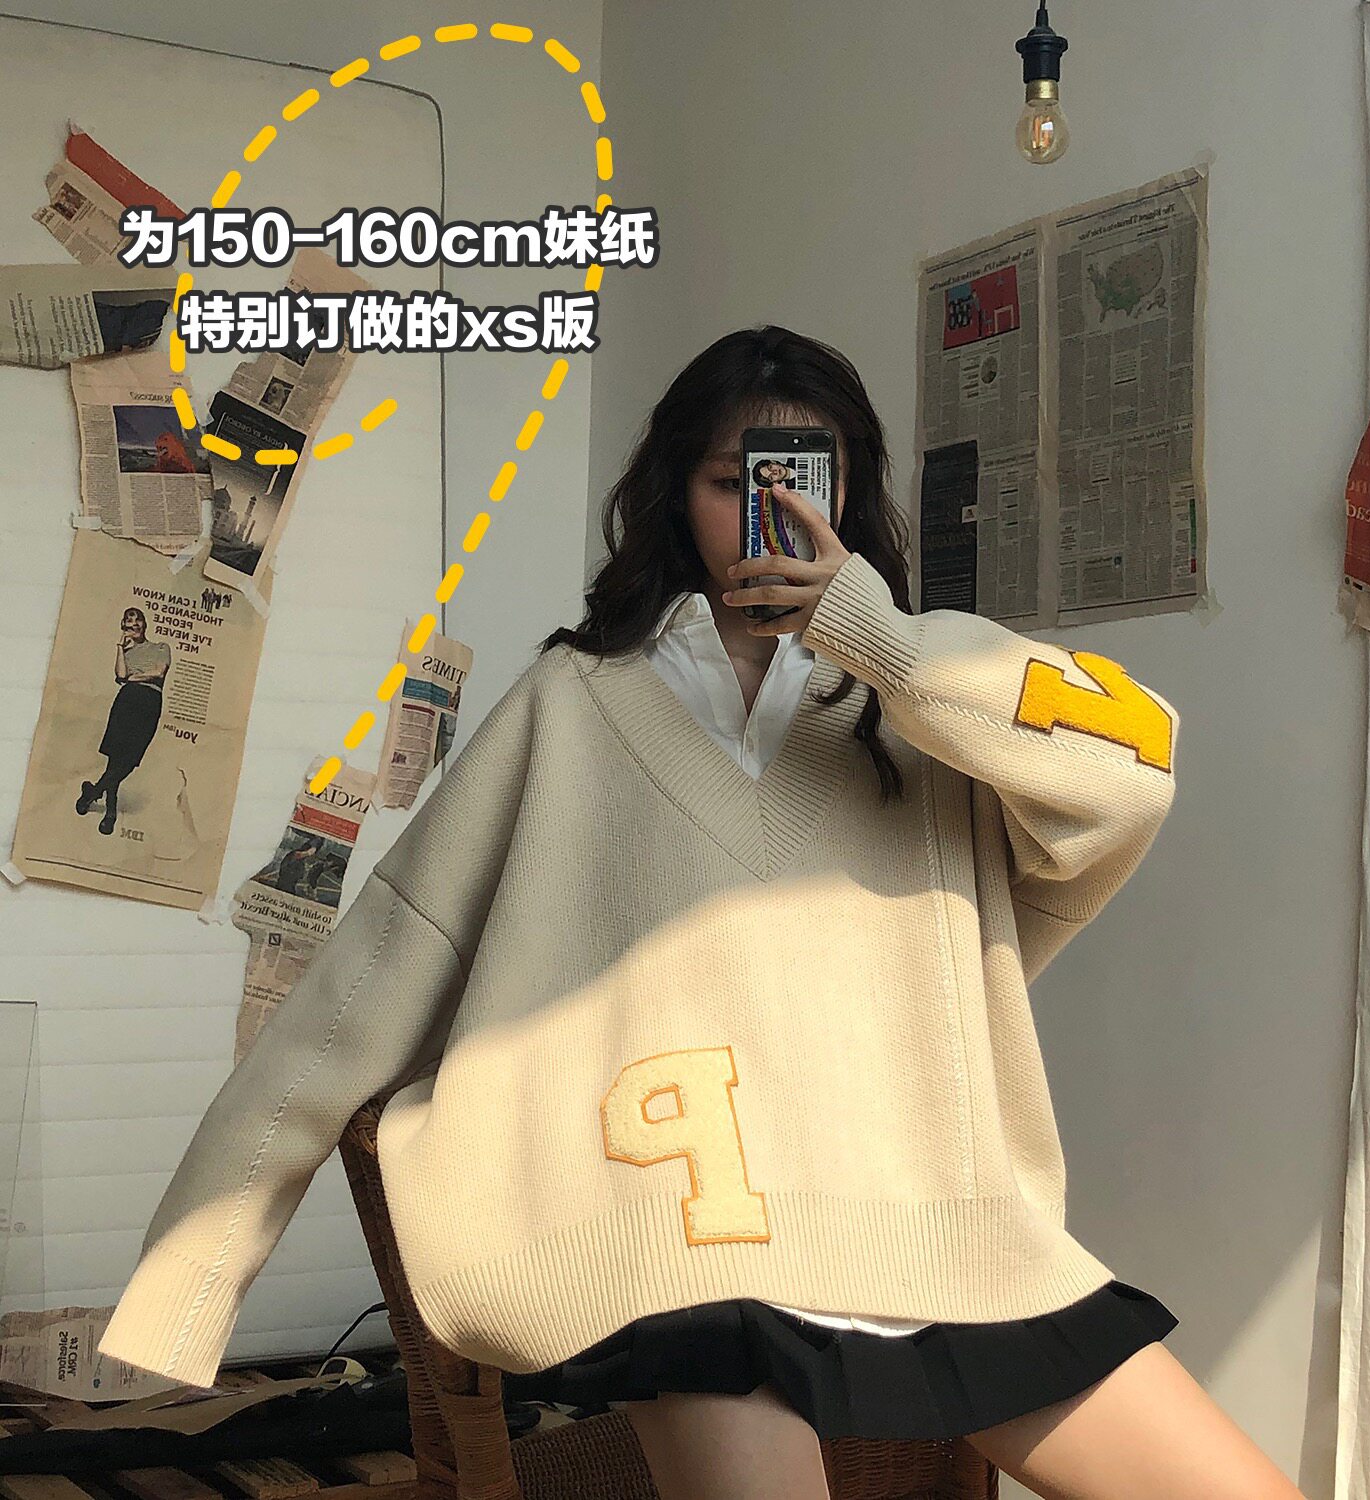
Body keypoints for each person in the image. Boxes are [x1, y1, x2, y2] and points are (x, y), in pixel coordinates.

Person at [97, 327, 1304, 1500]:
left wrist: (876, 640)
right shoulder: (577, 701)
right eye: (733, 482)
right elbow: (372, 976)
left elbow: (1131, 775)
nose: (769, 512)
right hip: (682, 1249)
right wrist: (194, 1275)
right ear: (678, 494)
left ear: (850, 491)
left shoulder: (931, 689)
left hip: (937, 1230)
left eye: (804, 478)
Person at [76, 605, 170, 836]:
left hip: (149, 704)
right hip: (126, 703)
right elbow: (120, 675)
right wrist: (120, 646)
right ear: (124, 627)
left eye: (138, 620)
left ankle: (93, 792)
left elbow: (159, 672)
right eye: (129, 621)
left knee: (129, 760)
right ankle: (110, 815)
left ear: (145, 624)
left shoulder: (161, 647)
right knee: (115, 759)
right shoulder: (126, 653)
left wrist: (133, 677)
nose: (134, 624)